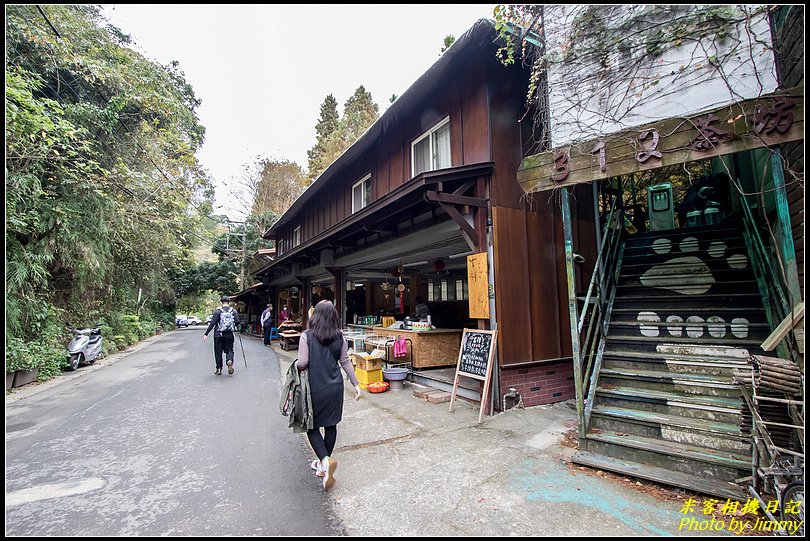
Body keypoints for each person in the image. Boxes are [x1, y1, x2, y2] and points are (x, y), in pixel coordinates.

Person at [295, 300, 361, 491]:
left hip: (315, 389)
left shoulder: (306, 336)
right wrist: (356, 384)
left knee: (312, 426)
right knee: (331, 425)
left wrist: (297, 366)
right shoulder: (340, 336)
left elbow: (302, 363)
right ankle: (325, 467)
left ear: (315, 315)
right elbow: (345, 361)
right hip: (335, 388)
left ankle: (324, 461)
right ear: (334, 316)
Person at [203, 296, 239, 376]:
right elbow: (237, 321)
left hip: (218, 334)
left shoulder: (218, 311)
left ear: (221, 302)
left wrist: (206, 334)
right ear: (229, 302)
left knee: (218, 352)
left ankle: (219, 369)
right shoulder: (233, 311)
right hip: (229, 334)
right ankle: (229, 360)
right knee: (229, 350)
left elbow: (212, 323)